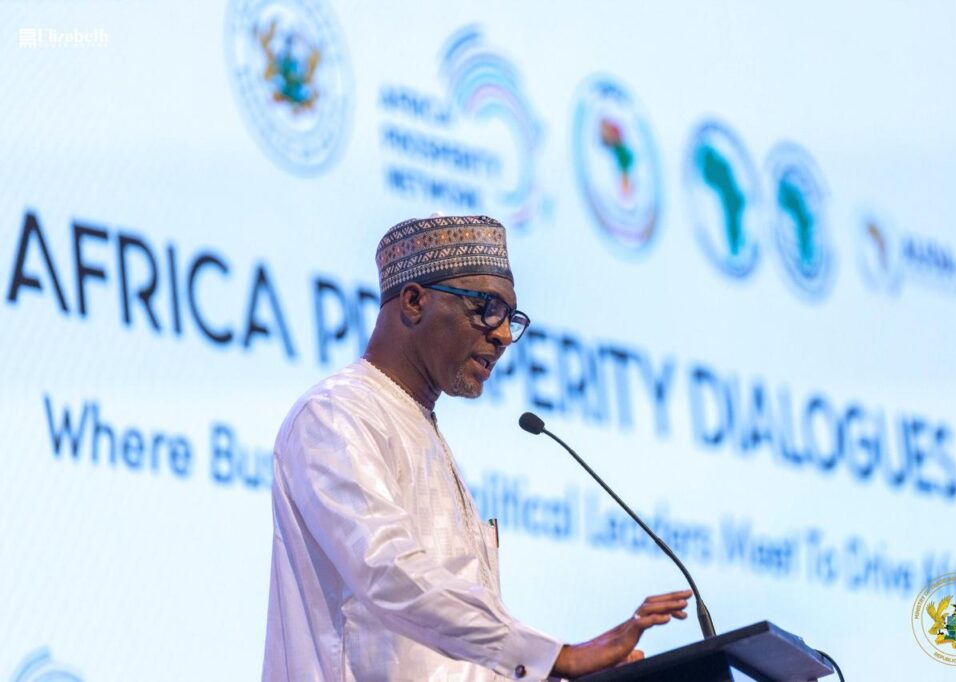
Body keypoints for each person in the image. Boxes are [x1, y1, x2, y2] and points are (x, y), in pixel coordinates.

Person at [262, 215, 692, 681]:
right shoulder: (336, 414)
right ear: (414, 301)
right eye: (488, 308)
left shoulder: (423, 431)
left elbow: (449, 660)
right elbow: (387, 573)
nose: (504, 335)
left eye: (510, 318)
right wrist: (557, 656)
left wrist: (559, 674)